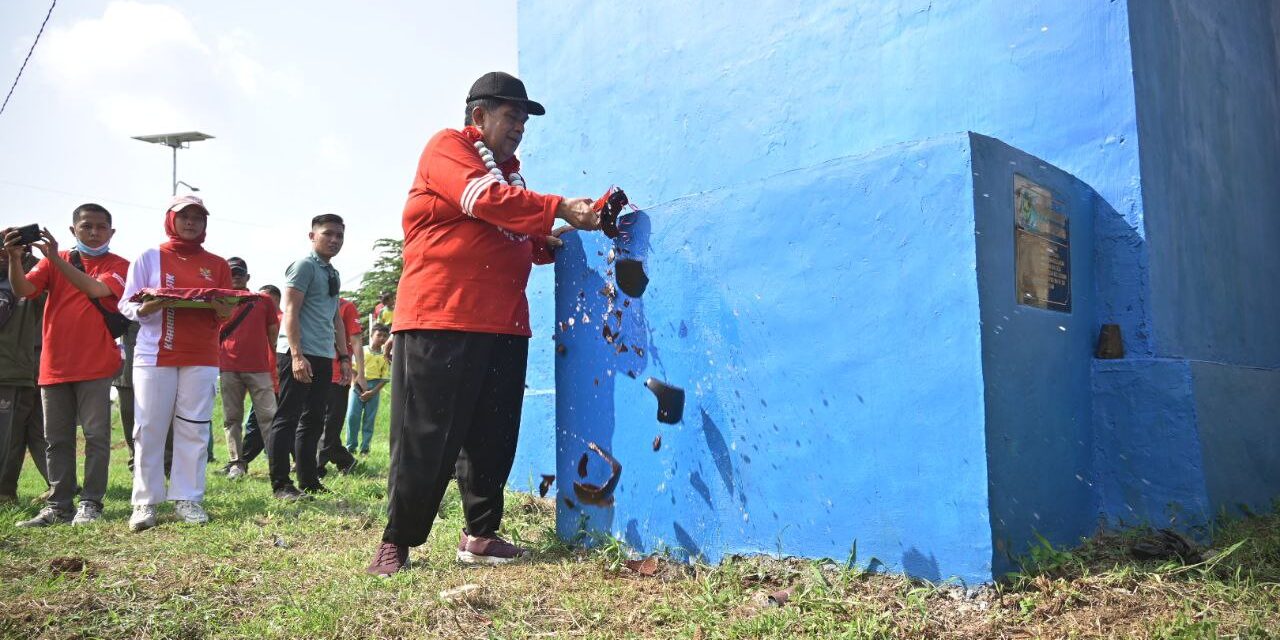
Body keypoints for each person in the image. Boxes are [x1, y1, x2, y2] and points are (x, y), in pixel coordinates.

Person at [366, 71, 600, 576]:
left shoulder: (508, 173)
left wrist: (550, 237)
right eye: (512, 116)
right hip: (441, 316)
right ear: (479, 116)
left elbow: (511, 228)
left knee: (493, 435)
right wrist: (557, 206)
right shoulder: (449, 149)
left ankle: (480, 533)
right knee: (426, 434)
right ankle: (396, 541)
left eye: (524, 120)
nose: (520, 127)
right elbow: (483, 202)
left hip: (504, 324)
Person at [5, 205, 129, 527]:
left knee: (96, 436)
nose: (94, 232)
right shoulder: (51, 260)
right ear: (74, 230)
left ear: (111, 233)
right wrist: (15, 259)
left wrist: (57, 259)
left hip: (96, 365)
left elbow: (95, 289)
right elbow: (23, 290)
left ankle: (91, 503)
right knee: (56, 438)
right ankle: (59, 506)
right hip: (54, 365)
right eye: (87, 226)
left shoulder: (118, 265)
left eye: (101, 227)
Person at [119, 195, 233, 531]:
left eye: (198, 217)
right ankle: (146, 502)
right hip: (155, 354)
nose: (191, 222)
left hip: (201, 354)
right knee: (148, 428)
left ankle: (188, 498)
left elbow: (227, 307)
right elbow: (127, 302)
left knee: (195, 428)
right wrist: (145, 309)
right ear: (171, 218)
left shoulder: (218, 263)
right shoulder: (148, 256)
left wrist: (224, 310)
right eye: (185, 216)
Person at [267, 214, 351, 501]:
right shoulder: (304, 266)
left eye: (339, 235)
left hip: (323, 355)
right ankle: (280, 484)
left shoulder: (332, 272)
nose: (334, 240)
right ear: (312, 236)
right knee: (287, 418)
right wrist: (296, 355)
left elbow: (336, 318)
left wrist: (343, 357)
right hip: (297, 354)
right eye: (328, 234)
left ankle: (309, 479)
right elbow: (290, 311)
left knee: (314, 420)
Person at [217, 257, 279, 479]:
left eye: (239, 273)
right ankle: (236, 463)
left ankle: (276, 463)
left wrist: (275, 363)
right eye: (231, 273)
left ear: (248, 277)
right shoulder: (217, 300)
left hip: (259, 368)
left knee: (269, 416)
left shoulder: (263, 301)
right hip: (228, 367)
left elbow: (273, 332)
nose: (235, 277)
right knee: (231, 417)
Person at [0, 243, 48, 504]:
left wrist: (26, 259)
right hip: (12, 372)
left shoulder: (25, 290)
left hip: (18, 374)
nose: (5, 256)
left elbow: (45, 287)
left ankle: (6, 492)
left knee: (13, 438)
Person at [317, 296, 361, 476]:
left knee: (331, 423)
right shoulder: (312, 303)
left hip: (338, 375)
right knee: (316, 422)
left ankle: (317, 465)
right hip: (315, 371)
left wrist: (361, 374)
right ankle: (345, 459)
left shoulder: (346, 307)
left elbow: (356, 340)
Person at [241, 283, 281, 466]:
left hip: (277, 381)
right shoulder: (257, 319)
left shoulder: (282, 320)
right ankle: (242, 460)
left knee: (261, 424)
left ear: (276, 300)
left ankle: (242, 461)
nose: (261, 302)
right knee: (257, 424)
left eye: (266, 298)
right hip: (261, 378)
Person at [347, 323, 390, 455]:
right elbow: (353, 369)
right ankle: (351, 446)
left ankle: (365, 448)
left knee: (369, 419)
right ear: (371, 335)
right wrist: (356, 385)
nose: (382, 338)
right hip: (357, 387)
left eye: (385, 336)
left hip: (374, 389)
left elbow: (385, 378)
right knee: (352, 416)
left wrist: (372, 392)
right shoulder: (362, 351)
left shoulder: (385, 356)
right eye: (379, 335)